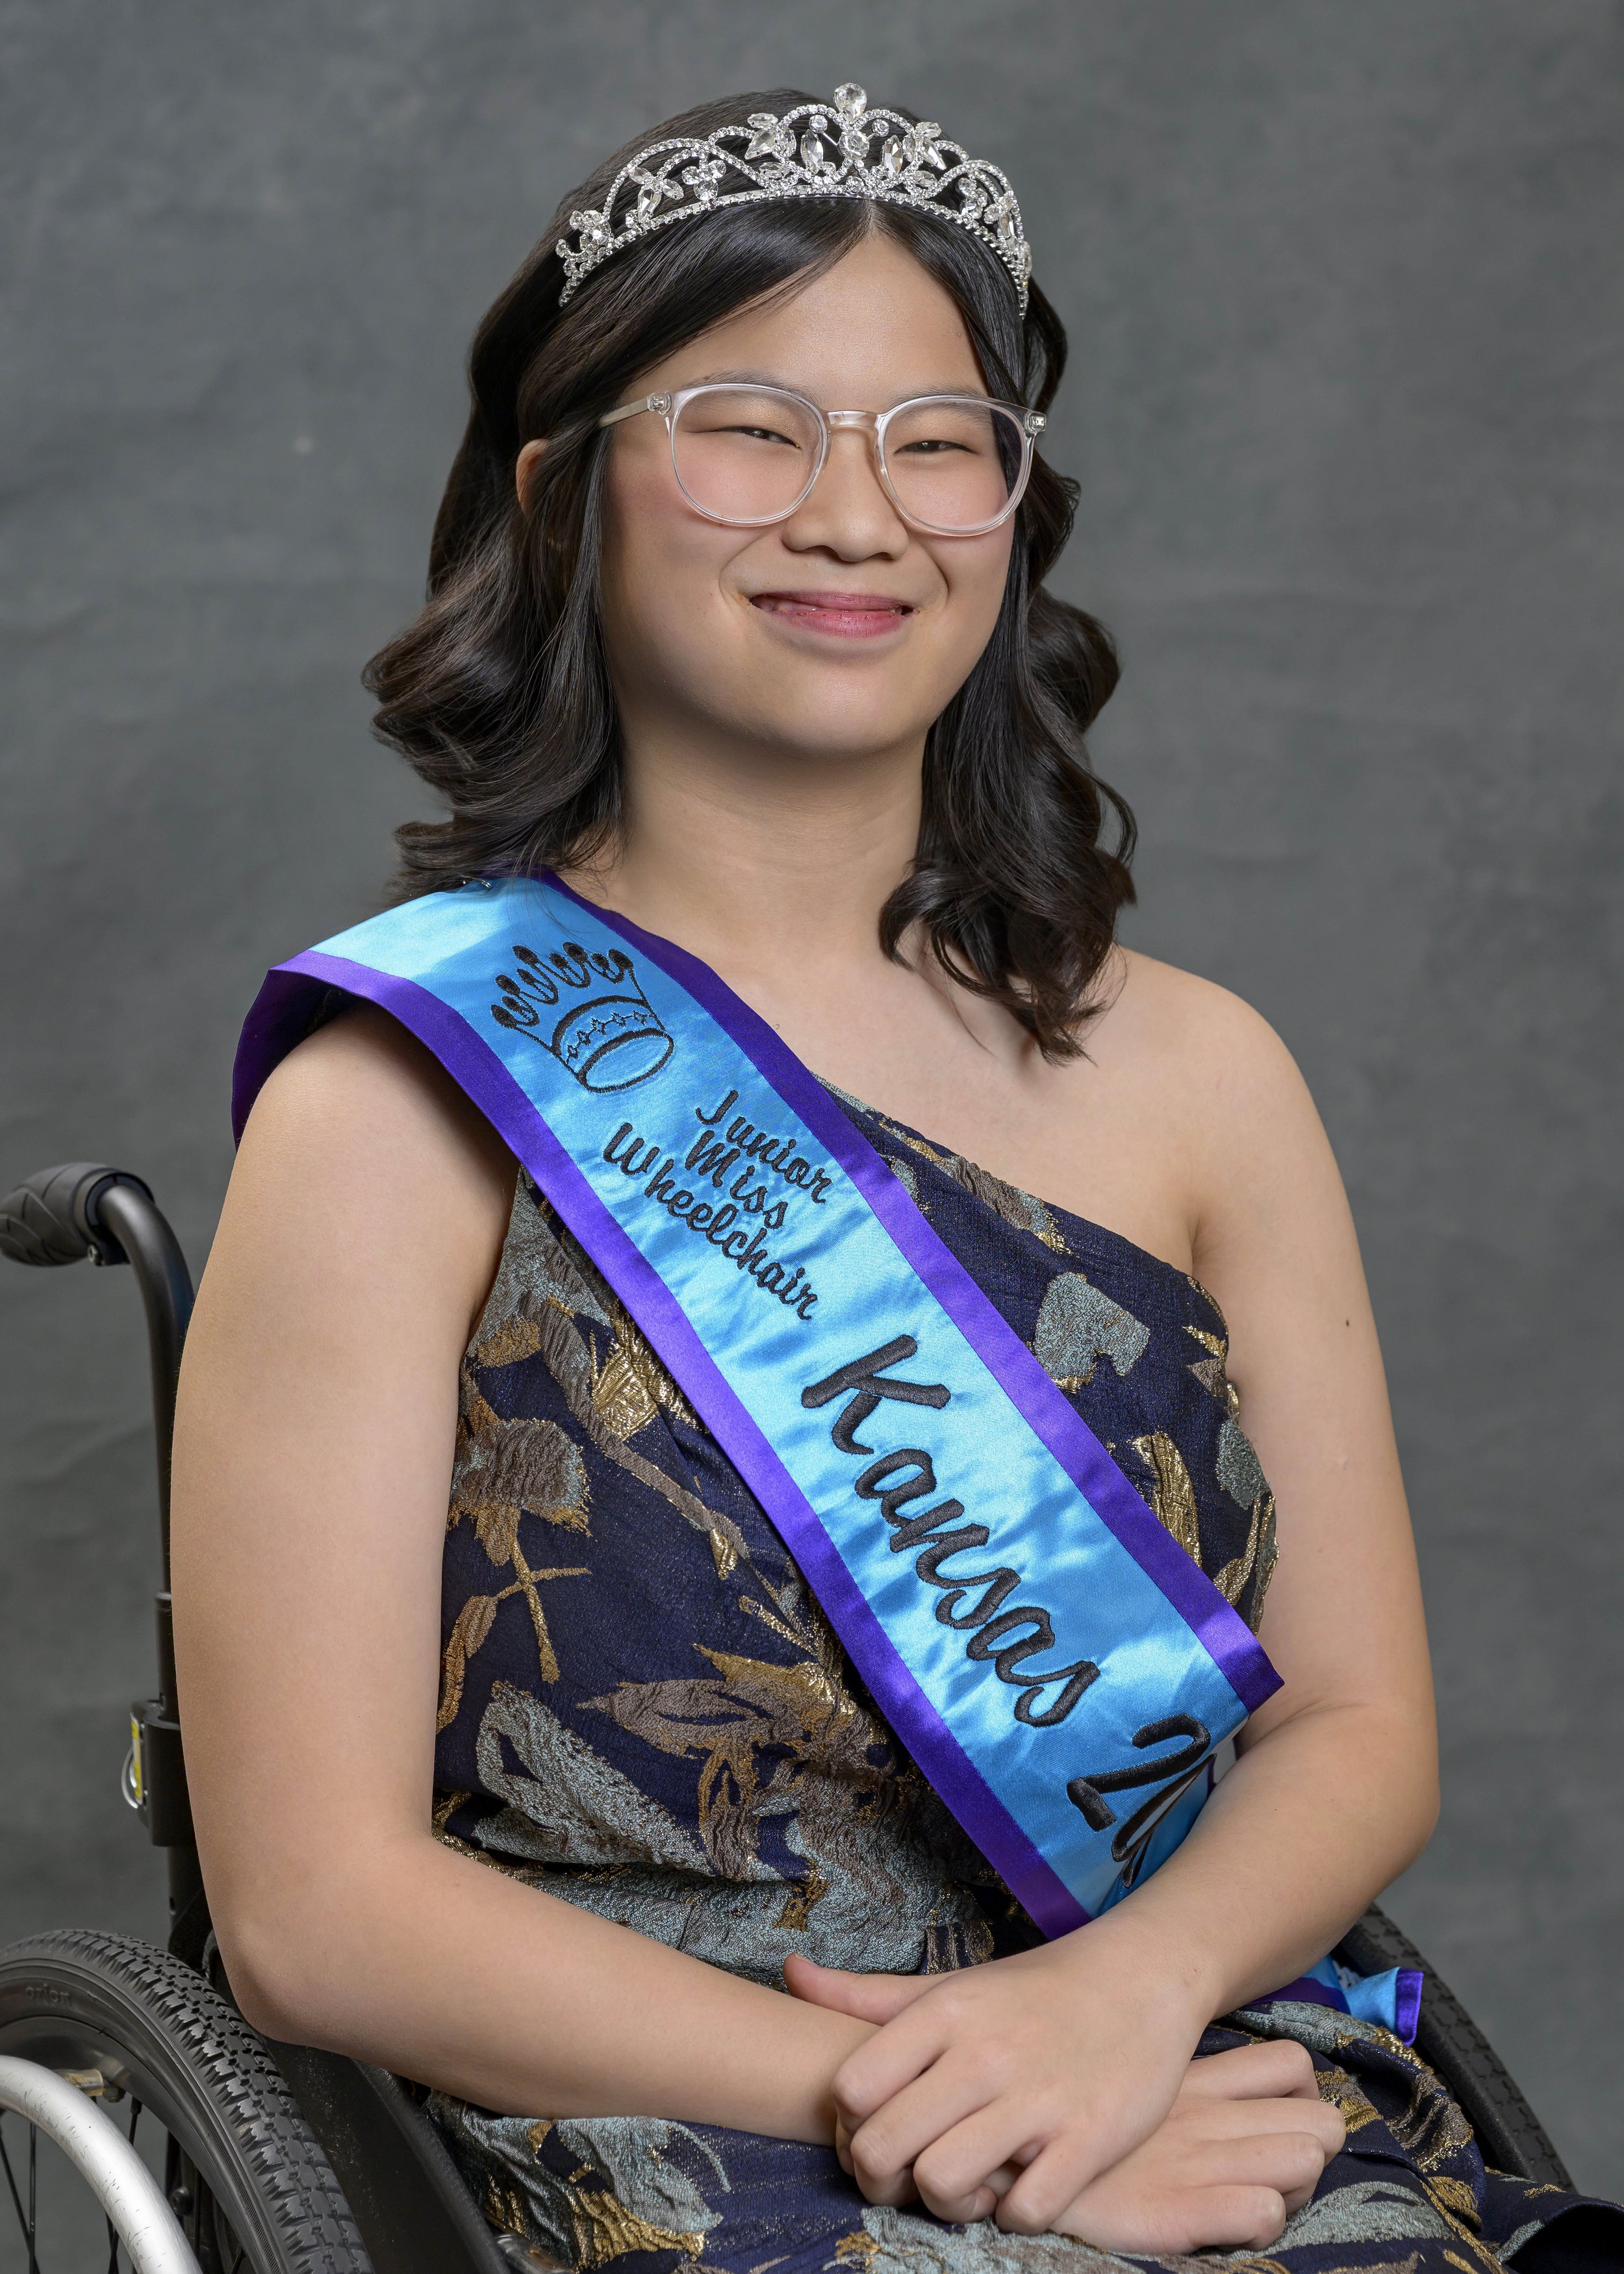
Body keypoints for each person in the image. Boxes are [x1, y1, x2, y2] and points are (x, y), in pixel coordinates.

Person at [171, 84, 1618, 2273]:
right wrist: (959, 2099)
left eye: (939, 442)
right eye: (751, 425)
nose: (857, 517)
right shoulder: (399, 1101)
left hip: (1183, 2063)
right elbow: (311, 1910)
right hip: (671, 2135)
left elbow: (1354, 1720)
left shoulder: (1201, 1072)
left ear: (1011, 515)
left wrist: (1114, 2005)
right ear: (566, 493)